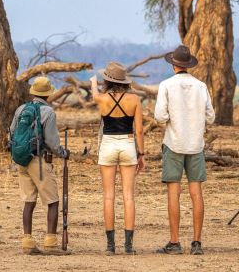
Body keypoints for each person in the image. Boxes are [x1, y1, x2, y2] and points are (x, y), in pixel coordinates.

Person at [154, 45, 215, 255]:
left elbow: (160, 117)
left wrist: (175, 118)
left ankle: (174, 241)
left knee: (174, 192)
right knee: (196, 193)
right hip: (195, 144)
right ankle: (197, 242)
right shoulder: (201, 86)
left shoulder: (166, 85)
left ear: (173, 64)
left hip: (174, 143)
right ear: (188, 64)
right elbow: (211, 117)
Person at [9, 76, 70, 255]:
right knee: (52, 201)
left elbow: (11, 133)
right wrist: (63, 153)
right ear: (48, 95)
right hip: (39, 162)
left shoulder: (21, 109)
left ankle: (27, 241)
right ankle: (50, 243)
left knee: (29, 200)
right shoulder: (48, 112)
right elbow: (52, 142)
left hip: (21, 159)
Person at [90, 62, 145, 255]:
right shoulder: (134, 99)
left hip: (108, 145)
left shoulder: (102, 99)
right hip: (128, 144)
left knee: (108, 196)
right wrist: (142, 153)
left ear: (107, 80)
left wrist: (92, 83)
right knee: (128, 196)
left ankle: (110, 246)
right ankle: (129, 246)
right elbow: (138, 129)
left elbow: (94, 95)